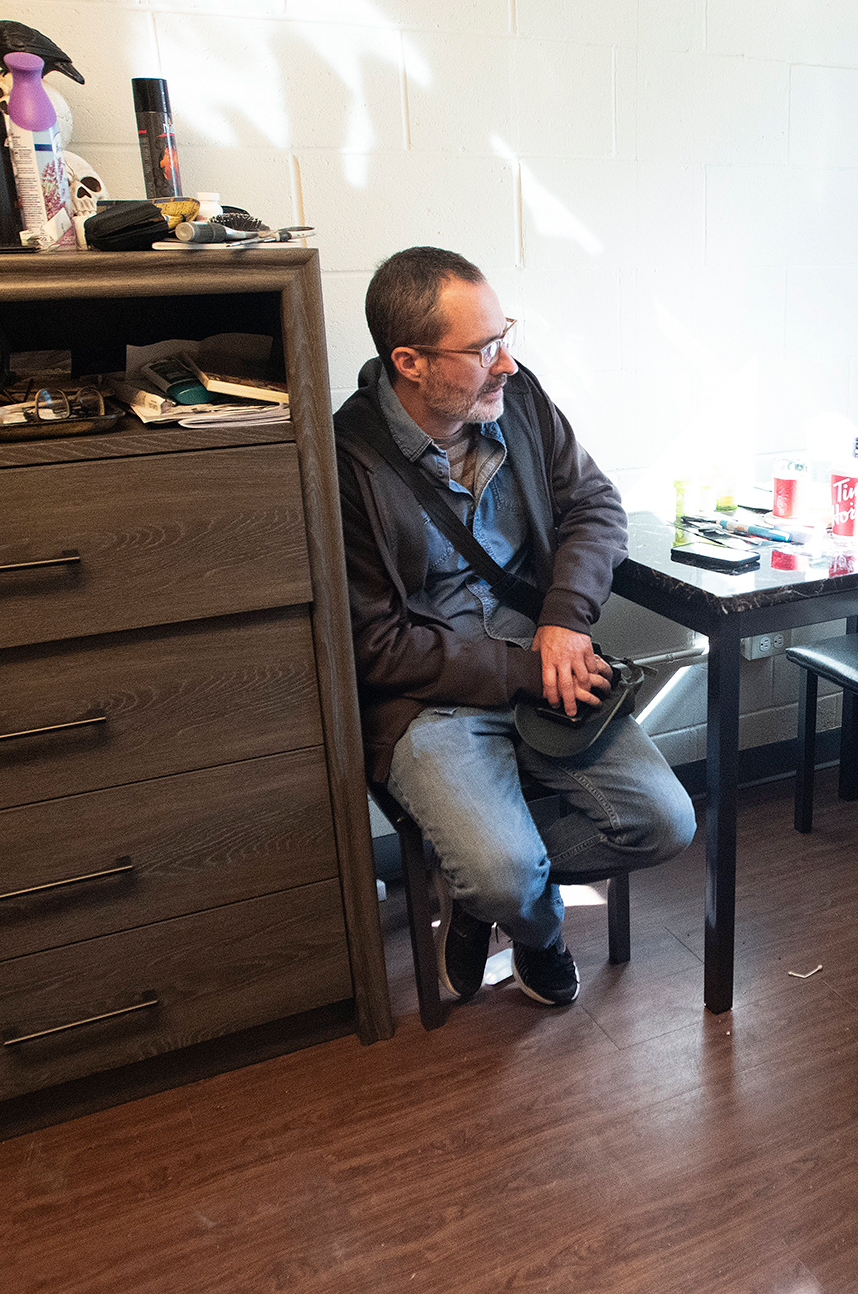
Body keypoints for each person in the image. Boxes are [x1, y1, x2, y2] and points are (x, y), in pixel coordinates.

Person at [336, 247, 695, 1008]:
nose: (507, 363)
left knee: (666, 822)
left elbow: (595, 505)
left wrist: (564, 621)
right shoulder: (347, 461)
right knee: (504, 873)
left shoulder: (518, 399)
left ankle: (484, 900)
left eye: (505, 335)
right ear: (409, 362)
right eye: (483, 348)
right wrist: (528, 671)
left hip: (543, 657)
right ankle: (532, 924)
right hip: (430, 699)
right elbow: (378, 646)